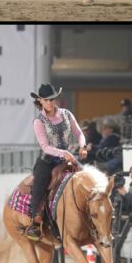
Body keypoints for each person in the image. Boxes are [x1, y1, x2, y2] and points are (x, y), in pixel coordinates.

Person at [26, 83, 87, 240]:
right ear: (40, 100)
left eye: (52, 99)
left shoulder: (67, 114)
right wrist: (64, 152)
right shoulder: (39, 121)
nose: (50, 102)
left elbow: (79, 133)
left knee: (86, 179)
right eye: (46, 100)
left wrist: (83, 146)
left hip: (66, 160)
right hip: (47, 162)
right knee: (39, 186)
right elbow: (45, 147)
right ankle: (35, 221)